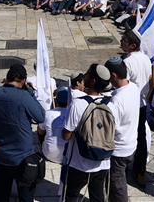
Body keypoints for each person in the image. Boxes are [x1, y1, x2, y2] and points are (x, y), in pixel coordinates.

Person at [0, 64, 46, 202]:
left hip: (2, 154)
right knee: (26, 195)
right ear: (24, 81)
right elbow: (41, 117)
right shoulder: (24, 96)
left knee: (2, 195)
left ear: (7, 78)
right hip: (23, 156)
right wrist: (31, 94)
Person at [61, 64, 112, 202]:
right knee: (97, 197)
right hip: (103, 162)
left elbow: (66, 135)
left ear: (93, 81)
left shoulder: (78, 105)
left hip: (79, 164)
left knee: (70, 196)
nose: (85, 76)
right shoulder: (111, 105)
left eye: (88, 74)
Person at [118, 30, 152, 185]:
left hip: (131, 104)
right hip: (142, 103)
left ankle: (122, 170)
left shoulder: (127, 62)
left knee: (125, 135)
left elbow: (123, 84)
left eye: (124, 40)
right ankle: (140, 171)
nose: (121, 41)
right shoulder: (146, 58)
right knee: (141, 137)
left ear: (132, 45)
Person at [105, 57, 140, 202]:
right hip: (131, 144)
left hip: (119, 150)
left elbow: (109, 129)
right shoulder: (133, 87)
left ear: (113, 75)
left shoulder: (116, 102)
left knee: (117, 185)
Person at [38, 88, 69, 163]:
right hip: (68, 155)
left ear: (56, 99)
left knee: (42, 127)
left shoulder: (47, 113)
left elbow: (40, 132)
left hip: (49, 155)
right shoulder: (73, 114)